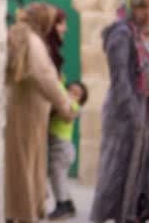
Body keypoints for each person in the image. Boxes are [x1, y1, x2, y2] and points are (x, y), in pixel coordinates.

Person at [5, 2, 77, 223]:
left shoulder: (19, 36)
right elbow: (45, 77)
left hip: (21, 113)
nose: (62, 28)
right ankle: (22, 214)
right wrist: (66, 106)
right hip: (28, 116)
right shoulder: (33, 41)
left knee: (20, 166)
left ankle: (14, 212)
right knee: (26, 167)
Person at [91, 0, 149, 223]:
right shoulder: (121, 34)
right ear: (130, 8)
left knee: (139, 168)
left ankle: (132, 214)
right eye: (142, 7)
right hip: (123, 113)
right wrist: (133, 115)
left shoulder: (142, 36)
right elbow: (120, 81)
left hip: (143, 109)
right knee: (118, 170)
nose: (147, 12)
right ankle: (109, 216)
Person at [48, 80, 89, 220]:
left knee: (57, 177)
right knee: (60, 178)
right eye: (70, 91)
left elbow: (69, 115)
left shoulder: (75, 107)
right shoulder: (63, 102)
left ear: (81, 100)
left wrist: (67, 99)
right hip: (58, 147)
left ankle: (62, 205)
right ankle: (69, 205)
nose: (72, 95)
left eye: (77, 94)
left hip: (62, 148)